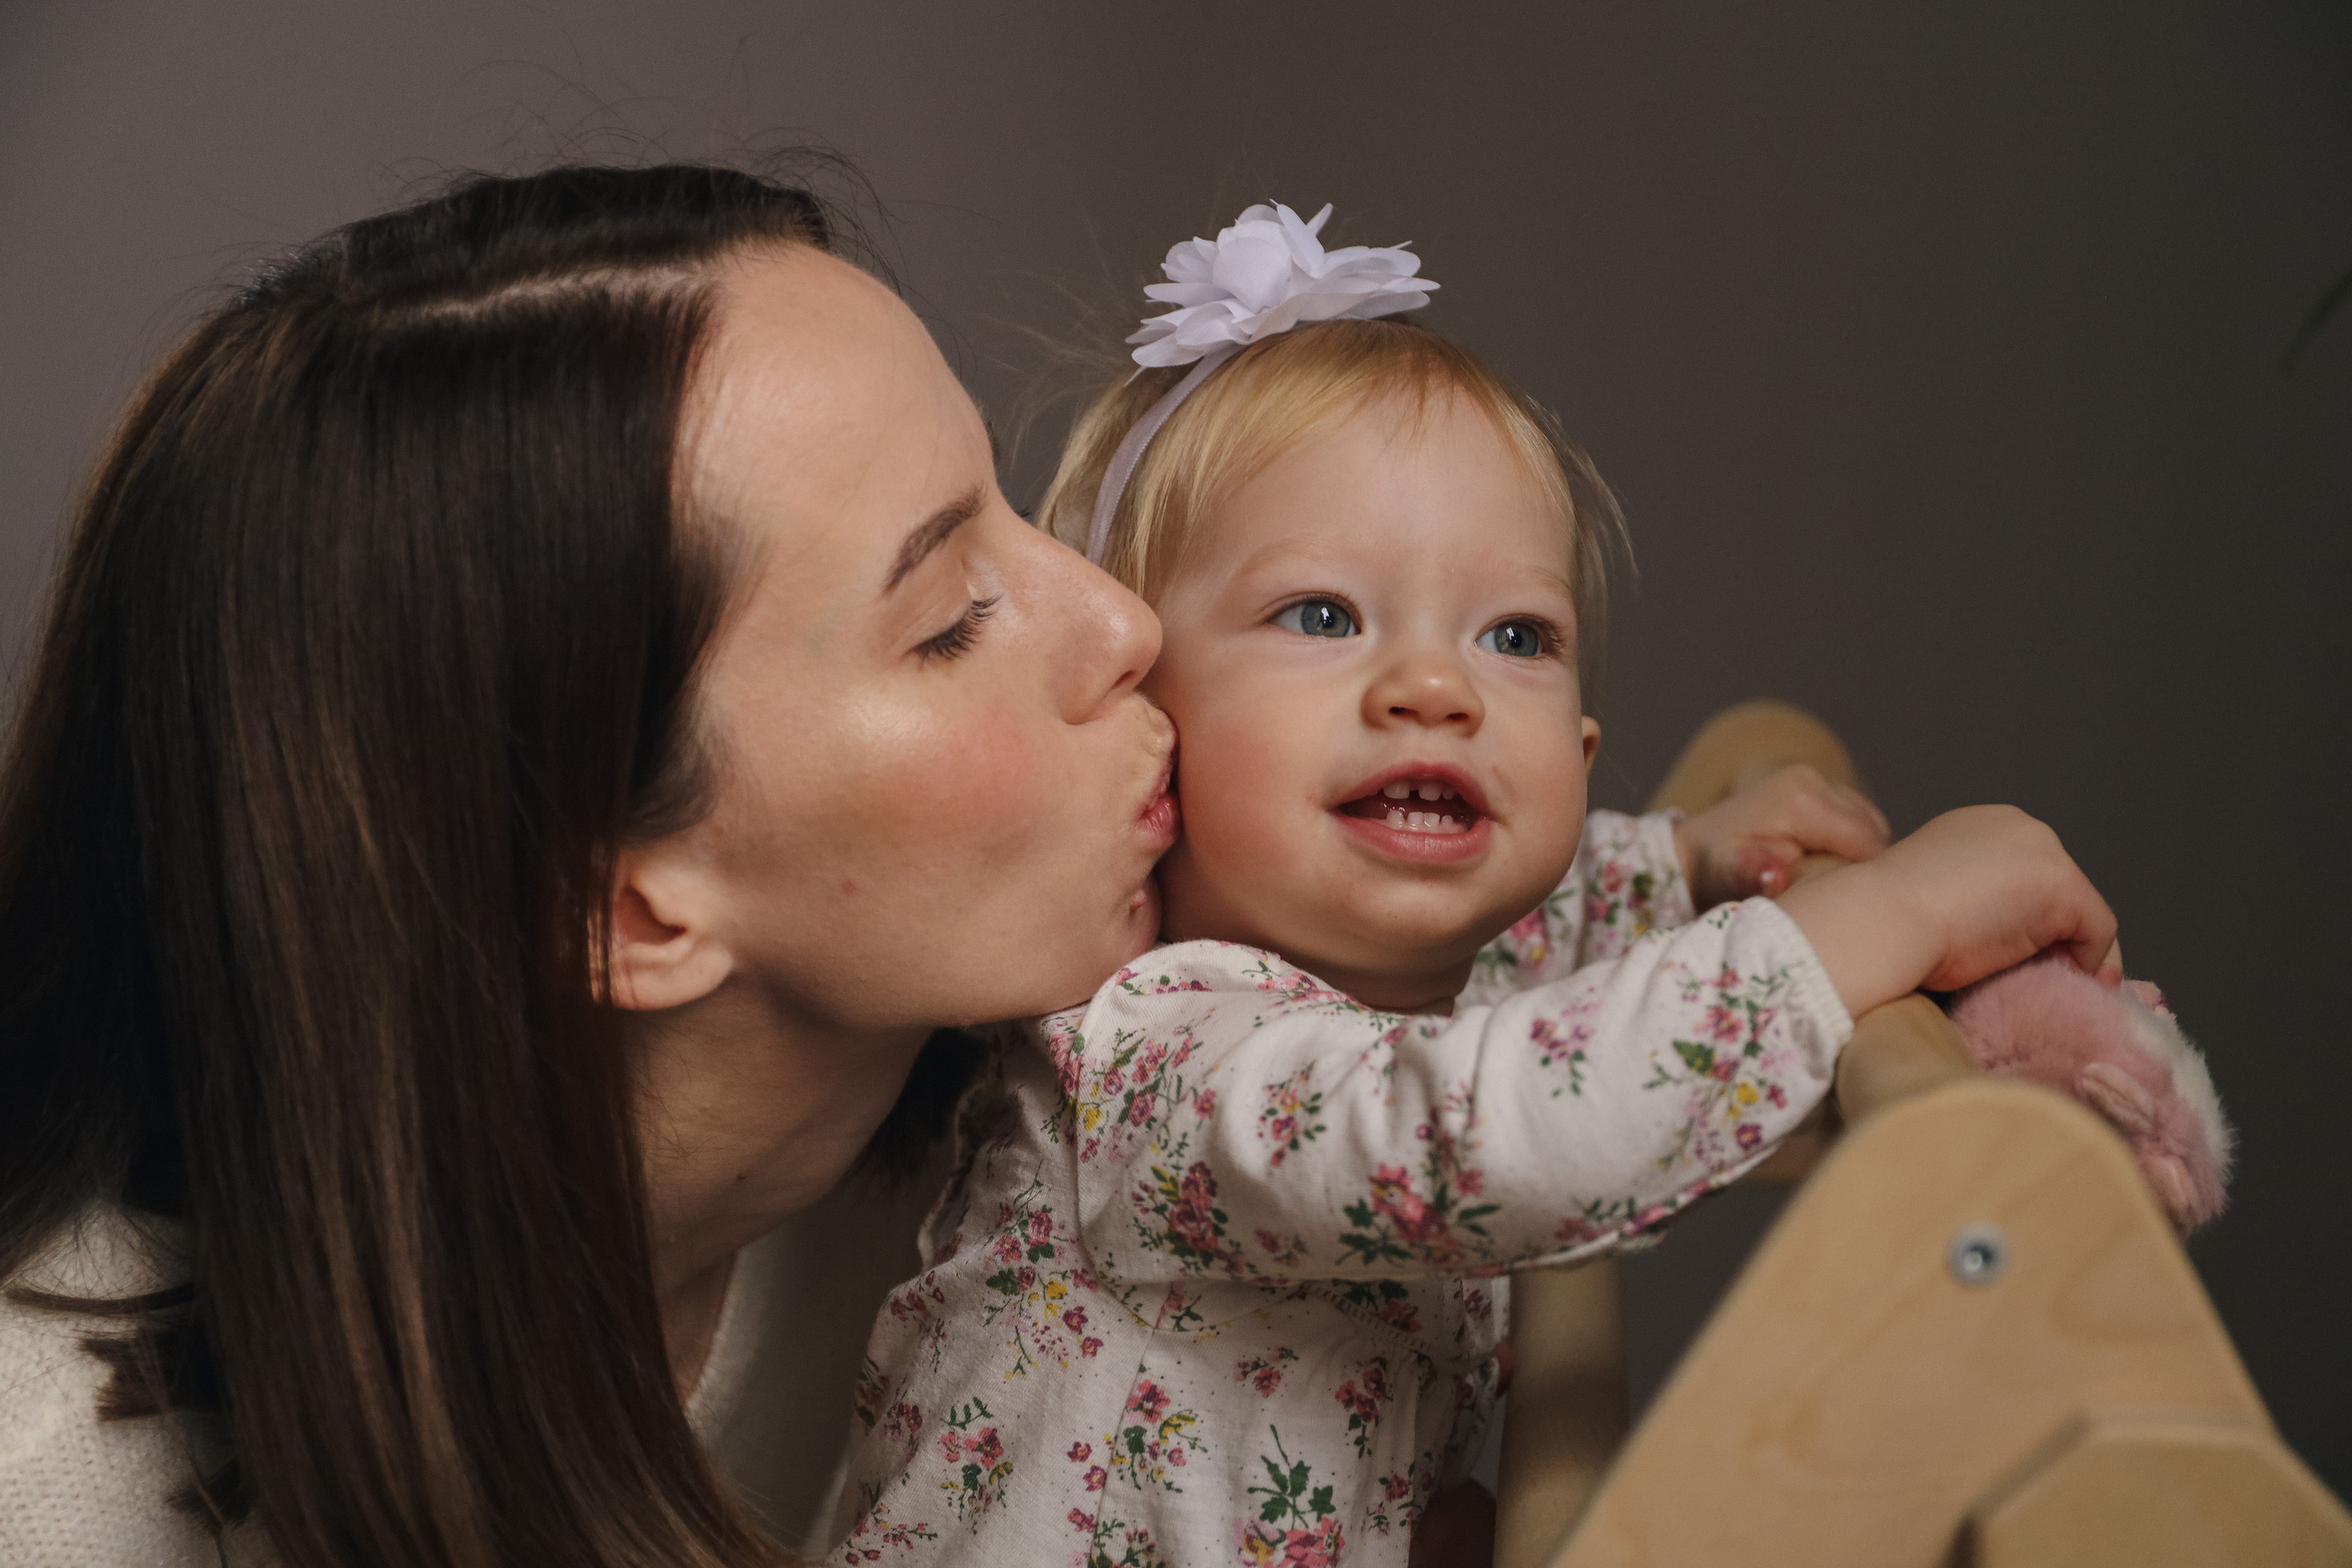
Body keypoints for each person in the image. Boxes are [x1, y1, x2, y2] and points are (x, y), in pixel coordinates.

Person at [827, 204, 2119, 1567]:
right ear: (1152, 717)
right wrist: (1873, 922)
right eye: (1321, 616)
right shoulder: (1155, 1050)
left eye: (1516, 635)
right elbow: (1463, 1134)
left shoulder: (1404, 962)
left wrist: (1684, 858)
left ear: (1578, 752)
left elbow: (1536, 920)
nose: (1435, 688)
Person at [0, 164, 1181, 1568]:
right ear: (616, 907)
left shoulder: (1030, 1203)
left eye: (1015, 505)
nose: (1121, 622)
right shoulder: (50, 1499)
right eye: (950, 617)